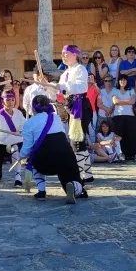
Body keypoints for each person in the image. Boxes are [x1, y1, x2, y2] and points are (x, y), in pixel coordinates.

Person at [19, 95, 88, 203]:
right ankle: (74, 187)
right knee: (71, 175)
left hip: (45, 160)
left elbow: (27, 149)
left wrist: (21, 155)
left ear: (33, 108)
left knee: (33, 159)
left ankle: (41, 191)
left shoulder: (29, 123)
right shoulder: (56, 118)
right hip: (66, 155)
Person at [57, 45, 95, 184]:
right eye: (62, 54)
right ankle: (88, 174)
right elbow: (60, 91)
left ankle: (78, 175)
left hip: (81, 107)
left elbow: (81, 87)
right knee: (79, 141)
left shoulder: (80, 69)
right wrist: (48, 86)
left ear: (74, 55)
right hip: (71, 107)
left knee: (76, 141)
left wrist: (62, 87)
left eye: (65, 53)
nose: (63, 56)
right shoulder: (65, 73)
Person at [0, 91, 26, 186]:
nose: (11, 102)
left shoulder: (18, 113)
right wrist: (23, 138)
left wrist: (21, 134)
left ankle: (17, 177)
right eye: (8, 100)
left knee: (15, 148)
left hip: (13, 140)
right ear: (2, 101)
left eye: (13, 100)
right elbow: (2, 140)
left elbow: (24, 128)